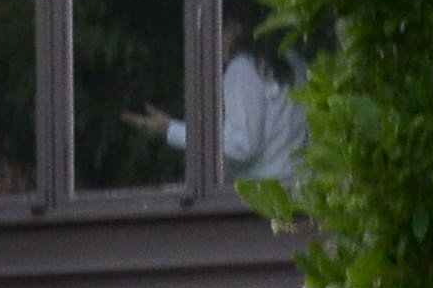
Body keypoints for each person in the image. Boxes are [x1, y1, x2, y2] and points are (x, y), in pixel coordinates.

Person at [125, 20, 310, 192]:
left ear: (235, 28)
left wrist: (170, 129)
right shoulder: (295, 63)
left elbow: (242, 145)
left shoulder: (242, 69)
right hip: (298, 193)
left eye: (220, 30)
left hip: (261, 203)